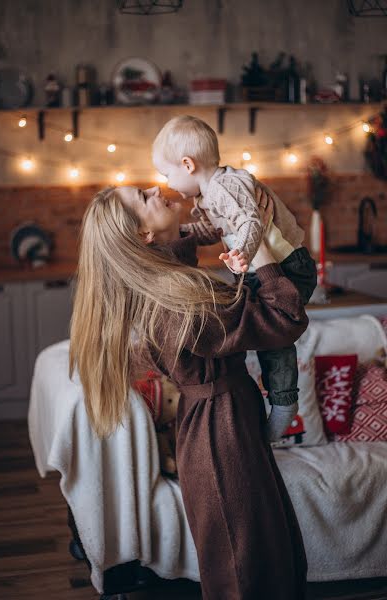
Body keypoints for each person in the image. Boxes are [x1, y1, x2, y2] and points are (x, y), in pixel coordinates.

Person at [69, 184, 308, 599]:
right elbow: (284, 318)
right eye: (143, 198)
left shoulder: (169, 276)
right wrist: (264, 256)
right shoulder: (178, 298)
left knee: (266, 554)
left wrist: (240, 224)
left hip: (223, 421)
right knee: (245, 568)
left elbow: (190, 243)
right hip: (221, 434)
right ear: (144, 235)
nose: (154, 189)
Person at [152, 115, 318, 442]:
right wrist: (177, 232)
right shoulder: (210, 194)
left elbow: (249, 224)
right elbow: (216, 230)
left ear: (187, 164)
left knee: (275, 333)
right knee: (261, 329)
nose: (167, 183)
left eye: (167, 174)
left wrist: (241, 251)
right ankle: (277, 400)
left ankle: (285, 404)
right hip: (269, 268)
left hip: (288, 265)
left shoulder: (225, 186)